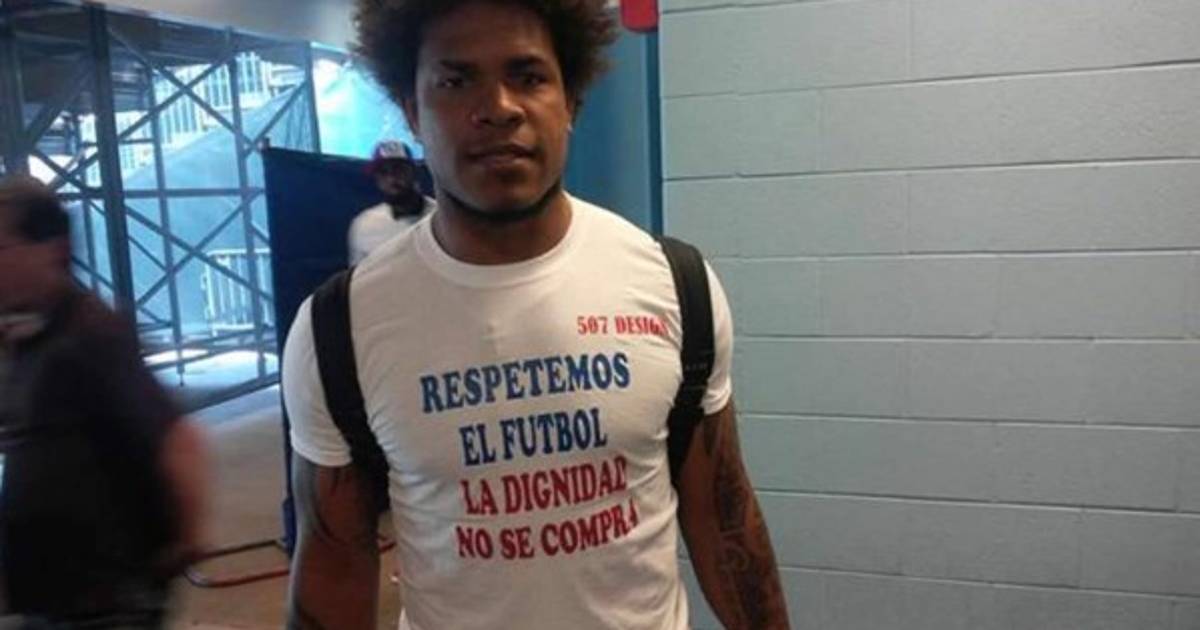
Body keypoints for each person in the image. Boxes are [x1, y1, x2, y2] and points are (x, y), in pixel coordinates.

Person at [282, 1, 790, 628]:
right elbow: (334, 565)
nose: (498, 107)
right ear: (412, 109)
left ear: (570, 99)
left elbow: (724, 520)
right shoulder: (339, 329)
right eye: (456, 80)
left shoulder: (675, 286)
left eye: (527, 76)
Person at [0, 175, 210, 627]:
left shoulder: (92, 334)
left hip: (106, 603)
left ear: (51, 248)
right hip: (52, 600)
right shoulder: (28, 334)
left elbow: (179, 440)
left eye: (2, 248)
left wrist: (185, 540)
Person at [347, 140, 435, 265]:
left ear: (414, 172)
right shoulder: (363, 225)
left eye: (398, 169)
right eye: (383, 172)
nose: (391, 179)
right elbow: (359, 275)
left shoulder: (443, 217)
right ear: (376, 179)